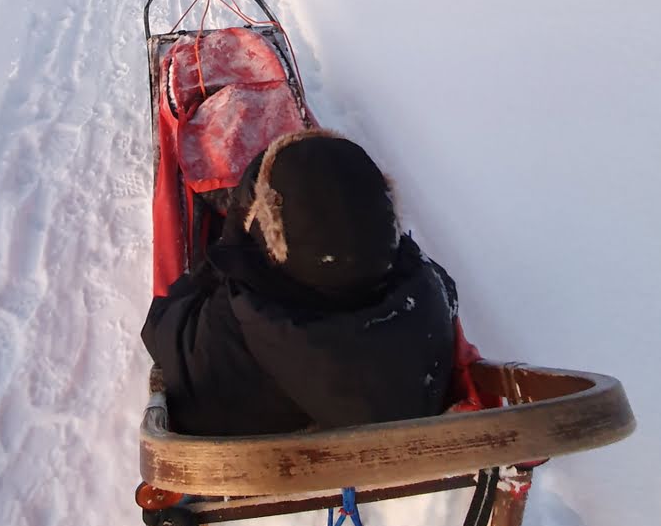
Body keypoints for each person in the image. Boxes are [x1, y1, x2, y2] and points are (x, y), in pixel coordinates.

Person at [142, 130, 458, 437]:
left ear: (273, 236)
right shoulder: (427, 298)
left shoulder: (229, 332)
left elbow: (160, 326)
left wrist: (232, 253)